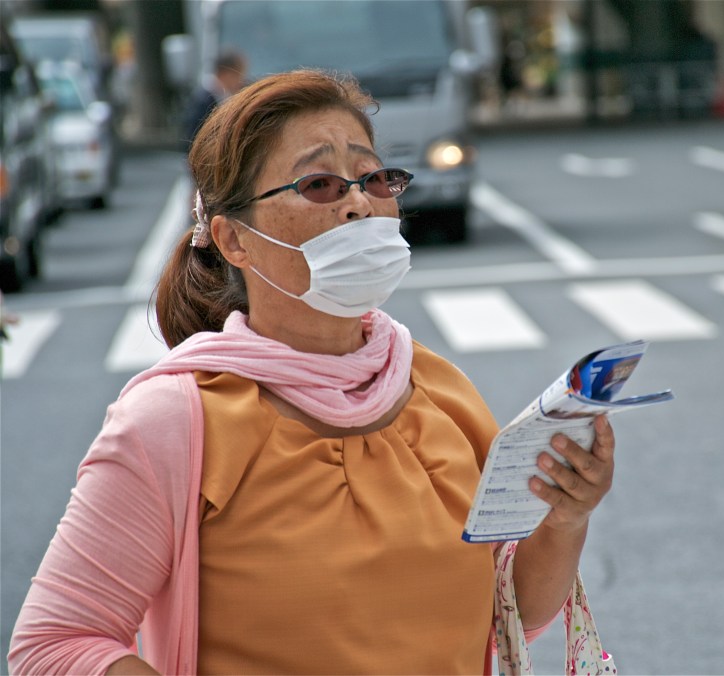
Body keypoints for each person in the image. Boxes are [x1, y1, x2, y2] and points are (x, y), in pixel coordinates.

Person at [8, 68, 617, 674]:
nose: (359, 202)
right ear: (232, 240)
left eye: (375, 178)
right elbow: (55, 645)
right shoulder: (173, 420)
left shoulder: (438, 389)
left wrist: (565, 516)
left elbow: (512, 612)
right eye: (320, 183)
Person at [180, 50, 247, 149]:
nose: (241, 81)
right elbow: (194, 137)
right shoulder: (204, 101)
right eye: (238, 75)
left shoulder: (220, 96)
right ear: (226, 74)